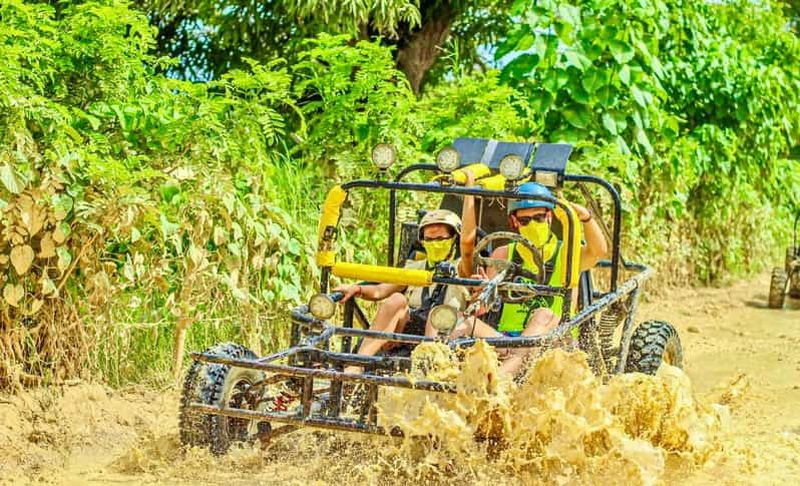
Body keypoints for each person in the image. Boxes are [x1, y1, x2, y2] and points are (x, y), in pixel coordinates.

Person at [449, 181, 608, 375]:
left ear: (549, 217)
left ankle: (499, 382)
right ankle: (432, 379)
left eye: (538, 218)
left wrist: (585, 217)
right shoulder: (503, 254)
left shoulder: (566, 253)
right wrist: (479, 294)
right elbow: (484, 308)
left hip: (553, 342)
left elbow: (599, 251)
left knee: (543, 314)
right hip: (507, 340)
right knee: (450, 317)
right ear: (515, 222)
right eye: (525, 221)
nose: (532, 224)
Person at [334, 171, 480, 372]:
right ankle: (357, 365)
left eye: (440, 239)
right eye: (428, 239)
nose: (434, 244)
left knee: (438, 315)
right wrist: (356, 289)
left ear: (453, 238)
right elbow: (380, 292)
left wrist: (469, 186)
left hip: (445, 336)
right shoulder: (415, 268)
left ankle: (426, 372)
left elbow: (468, 242)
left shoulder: (461, 268)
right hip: (407, 331)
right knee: (396, 300)